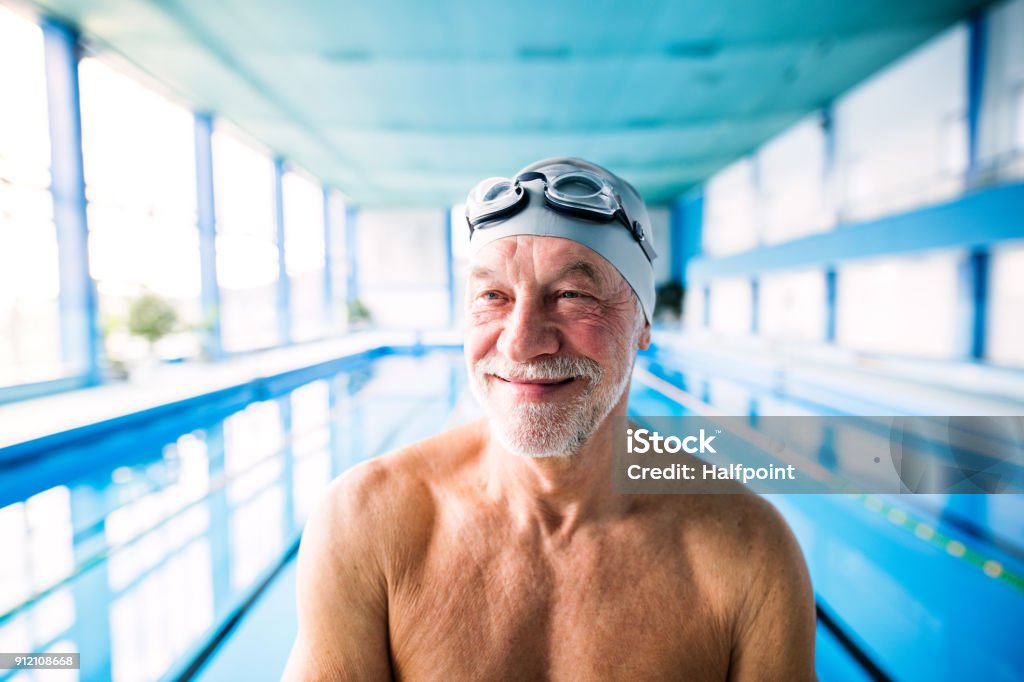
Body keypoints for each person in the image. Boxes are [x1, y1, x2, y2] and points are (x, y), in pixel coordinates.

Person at [282, 158, 816, 680]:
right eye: (493, 296)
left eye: (571, 295)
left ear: (644, 325)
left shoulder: (749, 551)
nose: (521, 340)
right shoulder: (368, 522)